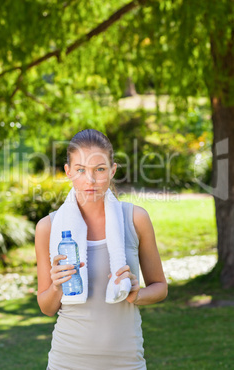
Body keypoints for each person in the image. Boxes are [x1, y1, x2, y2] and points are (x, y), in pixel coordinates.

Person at [35, 129, 168, 370]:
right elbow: (46, 307)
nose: (90, 180)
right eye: (80, 170)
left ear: (112, 170)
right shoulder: (48, 227)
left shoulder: (135, 219)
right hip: (66, 361)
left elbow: (160, 287)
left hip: (126, 361)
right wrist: (56, 286)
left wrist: (137, 294)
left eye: (100, 169)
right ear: (68, 172)